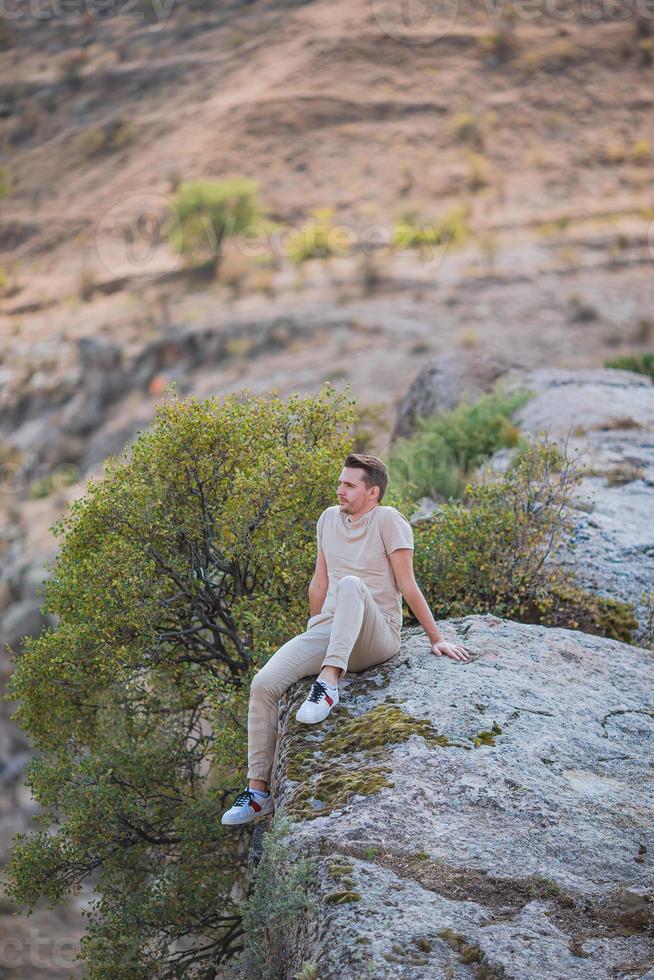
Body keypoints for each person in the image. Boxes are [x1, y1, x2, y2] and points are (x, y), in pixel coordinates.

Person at [221, 453, 470, 826]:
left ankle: (329, 683)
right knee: (264, 683)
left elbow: (407, 584)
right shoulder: (327, 520)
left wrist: (436, 637)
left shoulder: (389, 521)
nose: (340, 490)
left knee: (354, 584)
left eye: (349, 485)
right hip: (332, 627)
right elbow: (320, 582)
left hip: (377, 635)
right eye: (340, 483)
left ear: (372, 492)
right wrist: (312, 630)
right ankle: (258, 793)